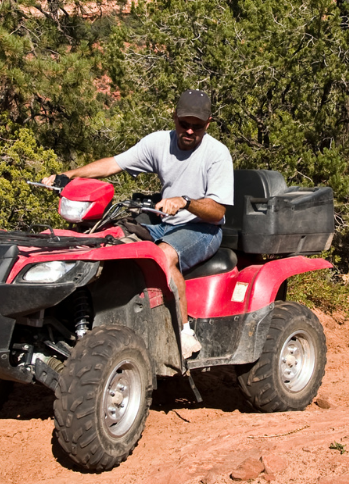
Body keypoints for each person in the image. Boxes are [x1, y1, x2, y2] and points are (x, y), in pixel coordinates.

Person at [45, 89, 233, 359]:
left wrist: (186, 201)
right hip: (162, 223)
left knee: (163, 257)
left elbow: (216, 212)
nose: (190, 131)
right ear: (174, 117)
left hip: (202, 228)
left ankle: (183, 333)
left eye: (197, 126)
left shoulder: (217, 154)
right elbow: (112, 164)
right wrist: (68, 175)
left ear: (208, 123)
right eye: (184, 124)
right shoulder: (158, 143)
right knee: (105, 242)